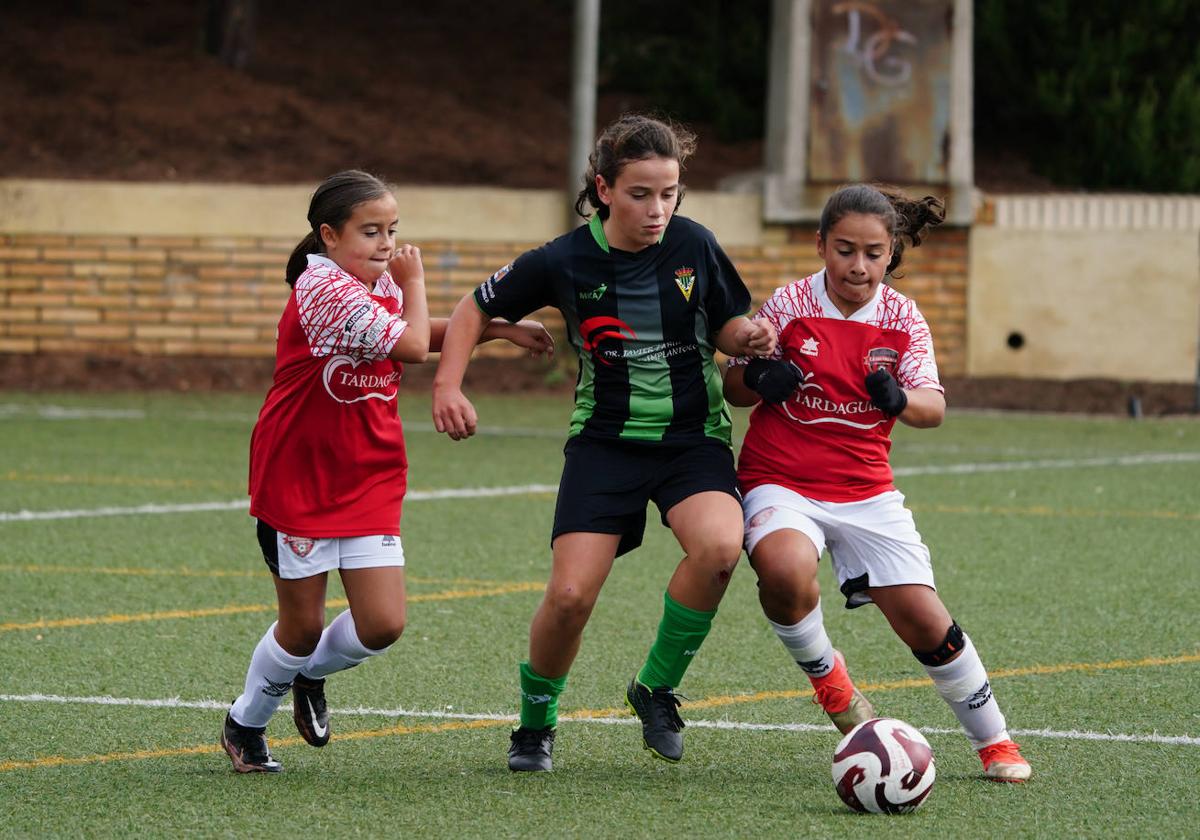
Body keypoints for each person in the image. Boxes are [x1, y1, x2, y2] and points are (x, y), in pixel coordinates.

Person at [431, 114, 777, 772]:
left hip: (691, 440)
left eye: (670, 193)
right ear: (605, 187)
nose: (657, 209)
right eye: (641, 193)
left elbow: (729, 323)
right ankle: (535, 724)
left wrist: (747, 337)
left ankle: (655, 689)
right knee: (569, 600)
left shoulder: (696, 246)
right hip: (604, 446)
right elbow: (477, 306)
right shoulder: (565, 259)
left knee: (720, 549)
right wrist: (449, 385)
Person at [221, 170, 553, 773]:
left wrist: (495, 329)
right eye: (370, 231)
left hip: (369, 472)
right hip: (301, 475)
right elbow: (406, 345)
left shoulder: (377, 284)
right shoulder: (321, 287)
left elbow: (411, 334)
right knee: (301, 628)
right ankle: (246, 724)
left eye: (392, 231)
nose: (384, 244)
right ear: (328, 235)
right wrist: (418, 281)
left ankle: (306, 676)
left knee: (382, 624)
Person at [723, 183, 1032, 782]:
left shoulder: (902, 317)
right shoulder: (788, 303)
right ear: (820, 245)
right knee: (785, 571)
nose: (857, 266)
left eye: (872, 253)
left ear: (890, 254)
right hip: (779, 477)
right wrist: (763, 377)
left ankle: (995, 742)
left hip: (865, 488)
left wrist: (899, 399)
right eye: (844, 250)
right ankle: (833, 689)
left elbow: (932, 407)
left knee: (923, 618)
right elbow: (735, 384)